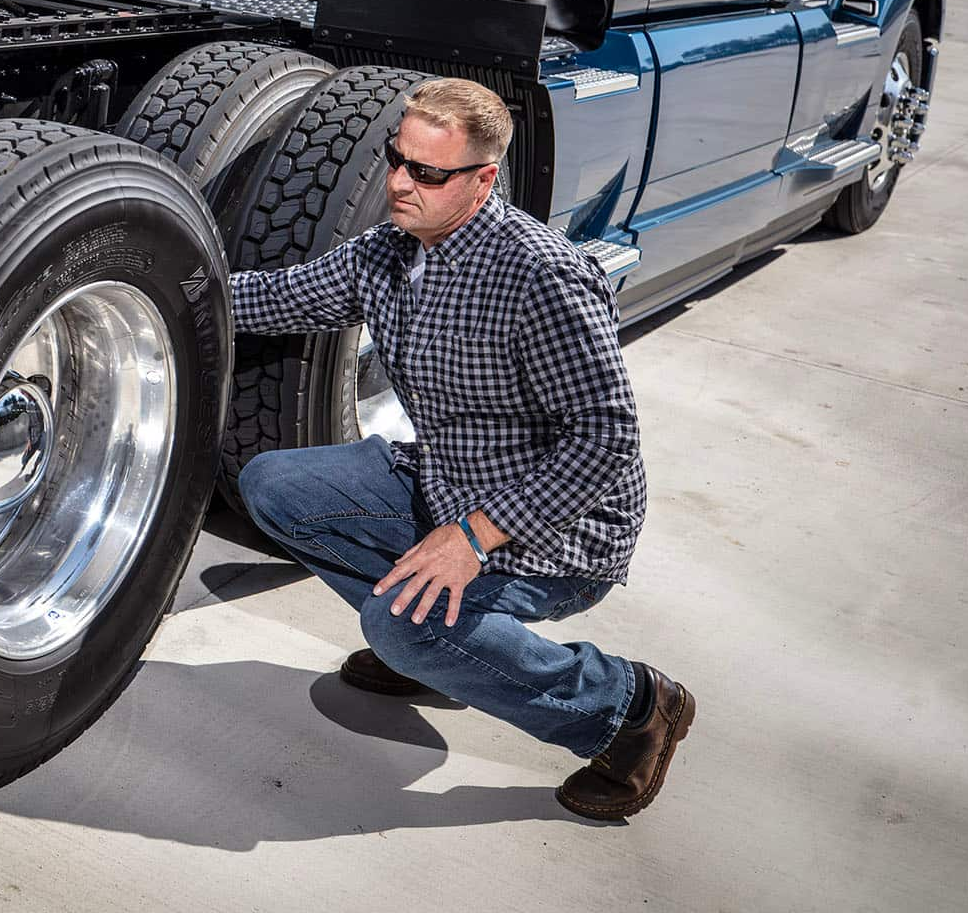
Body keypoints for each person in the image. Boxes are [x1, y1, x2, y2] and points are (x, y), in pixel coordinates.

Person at [230, 77, 693, 819]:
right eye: (397, 159)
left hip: (559, 534)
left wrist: (473, 538)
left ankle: (624, 708)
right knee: (274, 488)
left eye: (426, 172)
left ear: (483, 179)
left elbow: (606, 438)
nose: (398, 183)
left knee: (398, 626)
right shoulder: (388, 253)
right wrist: (166, 275)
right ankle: (447, 656)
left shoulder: (540, 277)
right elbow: (276, 297)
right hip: (445, 481)